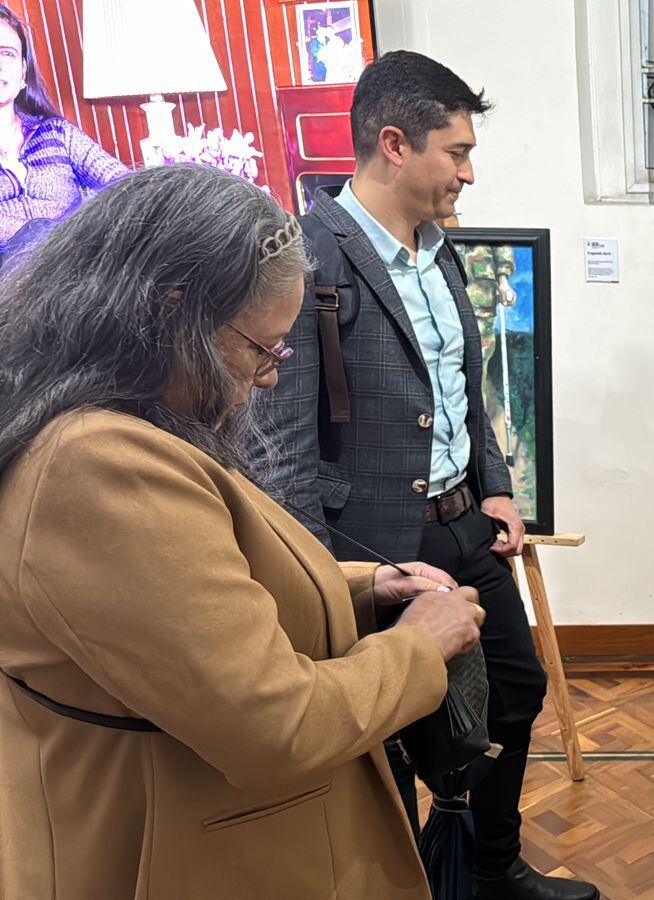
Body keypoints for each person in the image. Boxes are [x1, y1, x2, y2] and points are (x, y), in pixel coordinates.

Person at [0, 164, 487, 899]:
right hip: (188, 858)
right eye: (263, 348)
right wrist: (417, 647)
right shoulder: (95, 462)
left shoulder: (105, 430)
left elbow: (189, 602)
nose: (267, 378)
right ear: (171, 313)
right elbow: (275, 725)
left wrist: (366, 588)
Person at [255, 51, 598, 900]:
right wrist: (330, 575)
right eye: (457, 152)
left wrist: (496, 483)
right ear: (395, 144)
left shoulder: (440, 252)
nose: (468, 173)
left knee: (515, 690)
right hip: (366, 541)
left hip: (461, 524)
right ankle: (410, 882)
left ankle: (490, 871)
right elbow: (282, 444)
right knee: (395, 728)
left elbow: (464, 388)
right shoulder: (308, 260)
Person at [0, 5, 128, 250]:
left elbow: (126, 185)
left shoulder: (57, 134)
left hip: (76, 263)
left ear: (23, 73)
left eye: (7, 53)